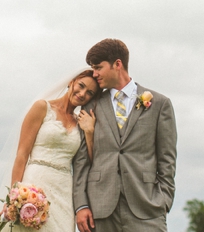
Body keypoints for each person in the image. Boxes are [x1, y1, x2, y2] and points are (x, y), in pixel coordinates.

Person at [73, 39, 177, 232]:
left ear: (117, 64)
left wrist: (163, 200)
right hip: (100, 210)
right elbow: (81, 161)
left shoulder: (160, 104)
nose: (94, 74)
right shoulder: (90, 106)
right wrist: (81, 205)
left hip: (146, 209)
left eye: (98, 67)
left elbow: (167, 159)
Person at [8, 69, 102, 231]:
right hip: (35, 185)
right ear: (71, 82)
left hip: (64, 190)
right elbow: (22, 155)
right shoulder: (41, 107)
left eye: (89, 93)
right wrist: (14, 197)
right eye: (81, 85)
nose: (82, 93)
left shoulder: (82, 122)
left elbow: (90, 162)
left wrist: (89, 133)